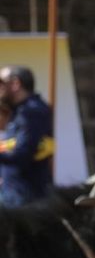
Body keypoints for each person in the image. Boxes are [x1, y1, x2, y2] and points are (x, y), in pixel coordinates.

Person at [0, 66, 55, 206]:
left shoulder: (32, 111)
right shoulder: (19, 111)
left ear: (15, 84)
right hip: (14, 195)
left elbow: (23, 154)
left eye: (1, 82)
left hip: (26, 200)